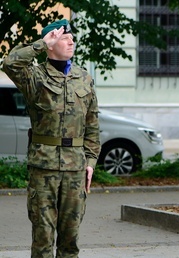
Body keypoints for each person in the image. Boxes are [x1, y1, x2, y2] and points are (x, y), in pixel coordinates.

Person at [3, 19, 100, 257]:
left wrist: (90, 162)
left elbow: (93, 126)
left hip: (76, 169)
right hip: (44, 168)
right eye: (64, 39)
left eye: (71, 38)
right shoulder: (35, 77)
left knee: (70, 239)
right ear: (51, 45)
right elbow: (9, 64)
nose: (71, 42)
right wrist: (41, 43)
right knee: (43, 238)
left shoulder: (84, 78)